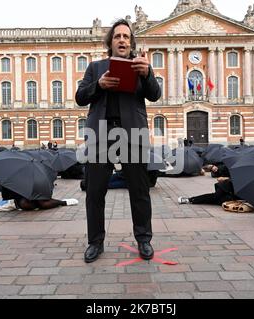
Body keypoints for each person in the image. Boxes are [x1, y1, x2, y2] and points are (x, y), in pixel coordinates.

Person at [75, 18, 161, 263]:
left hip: (132, 134)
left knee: (139, 191)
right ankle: (95, 242)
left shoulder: (141, 66)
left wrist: (147, 74)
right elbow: (80, 97)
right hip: (100, 135)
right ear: (110, 43)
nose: (122, 40)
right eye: (117, 36)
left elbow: (155, 95)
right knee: (94, 192)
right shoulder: (95, 67)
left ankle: (144, 240)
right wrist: (99, 85)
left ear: (131, 42)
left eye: (126, 36)